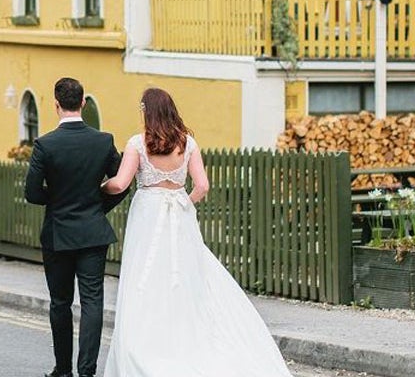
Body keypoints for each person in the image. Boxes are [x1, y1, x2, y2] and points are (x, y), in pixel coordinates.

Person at [101, 87, 293, 377]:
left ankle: (147, 343)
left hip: (148, 212)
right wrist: (182, 203)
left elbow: (120, 184)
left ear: (147, 112)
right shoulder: (187, 143)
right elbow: (202, 186)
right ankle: (190, 340)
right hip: (179, 213)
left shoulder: (137, 144)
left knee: (145, 274)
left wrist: (98, 188)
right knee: (187, 275)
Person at [25, 77, 127, 377]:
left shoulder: (45, 144)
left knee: (60, 303)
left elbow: (32, 193)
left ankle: (63, 370)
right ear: (83, 102)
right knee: (93, 302)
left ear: (56, 105)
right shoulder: (103, 140)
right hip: (93, 232)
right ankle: (87, 372)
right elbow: (121, 184)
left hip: (58, 233)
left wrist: (56, 200)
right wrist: (97, 205)